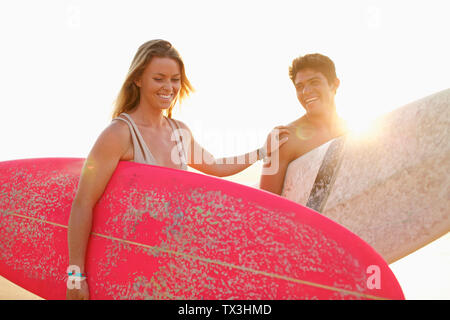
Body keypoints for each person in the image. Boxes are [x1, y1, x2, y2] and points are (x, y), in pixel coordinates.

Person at [66, 39, 288, 300]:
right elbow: (83, 202)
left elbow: (215, 165)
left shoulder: (178, 132)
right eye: (159, 78)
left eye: (174, 79)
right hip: (130, 265)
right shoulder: (119, 134)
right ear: (138, 79)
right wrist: (75, 275)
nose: (168, 87)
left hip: (172, 264)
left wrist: (261, 152)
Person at [259, 53, 348, 195]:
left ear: (334, 84)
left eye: (314, 82)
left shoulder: (350, 132)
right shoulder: (285, 139)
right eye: (299, 86)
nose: (306, 91)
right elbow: (264, 204)